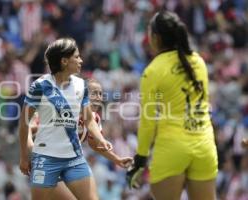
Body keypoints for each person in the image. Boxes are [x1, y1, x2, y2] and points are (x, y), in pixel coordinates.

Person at [126, 11, 218, 200]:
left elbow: (148, 121)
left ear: (156, 38)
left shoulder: (153, 70)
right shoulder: (199, 62)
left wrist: (140, 160)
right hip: (204, 146)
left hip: (172, 149)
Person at [19, 38, 112, 200]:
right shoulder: (40, 86)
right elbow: (24, 124)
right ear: (64, 61)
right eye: (76, 57)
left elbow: (89, 120)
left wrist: (100, 139)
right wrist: (25, 155)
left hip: (73, 160)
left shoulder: (81, 85)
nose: (81, 60)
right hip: (46, 159)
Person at [27, 78, 133, 199]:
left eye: (100, 94)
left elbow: (94, 144)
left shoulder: (94, 118)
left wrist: (117, 159)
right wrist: (30, 150)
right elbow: (29, 128)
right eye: (94, 93)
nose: (99, 97)